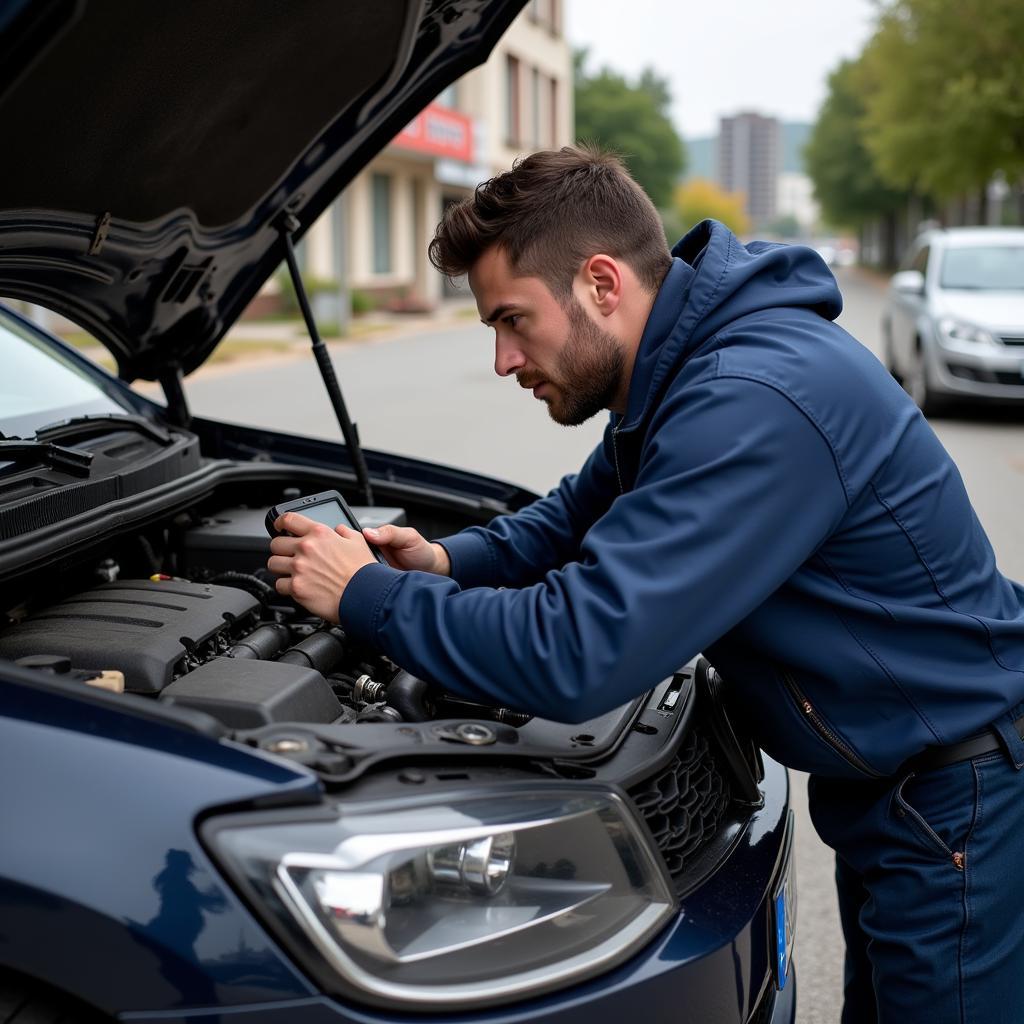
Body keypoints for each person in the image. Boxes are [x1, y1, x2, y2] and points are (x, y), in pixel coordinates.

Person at [267, 146, 1024, 1022]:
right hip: (897, 788)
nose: (506, 360)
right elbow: (568, 520)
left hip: (956, 800)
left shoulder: (751, 397)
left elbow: (581, 651)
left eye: (513, 320)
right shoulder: (684, 369)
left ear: (600, 282)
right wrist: (441, 563)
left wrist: (368, 597)